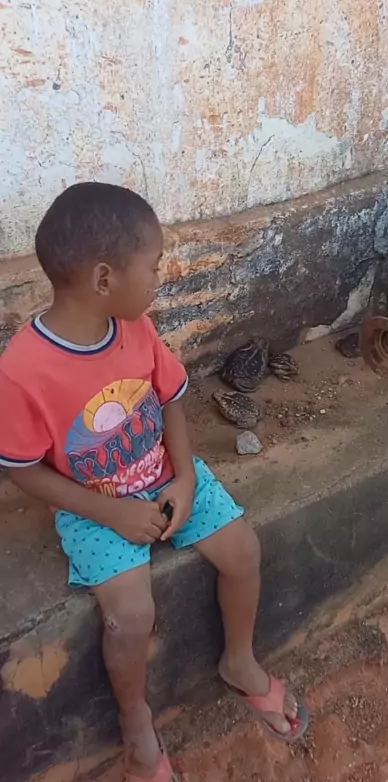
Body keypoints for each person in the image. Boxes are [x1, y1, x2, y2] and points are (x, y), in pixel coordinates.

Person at [0, 183, 308, 782]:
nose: (160, 279)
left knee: (243, 551)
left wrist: (186, 477)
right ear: (105, 278)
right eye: (155, 266)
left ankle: (239, 661)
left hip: (165, 475)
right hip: (93, 503)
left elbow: (169, 399)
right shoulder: (23, 369)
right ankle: (136, 722)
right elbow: (19, 466)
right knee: (130, 617)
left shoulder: (135, 328)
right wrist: (110, 512)